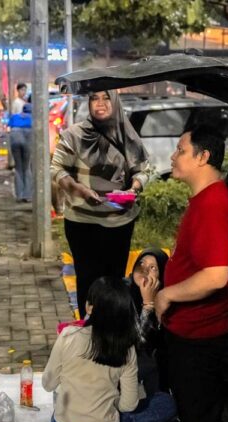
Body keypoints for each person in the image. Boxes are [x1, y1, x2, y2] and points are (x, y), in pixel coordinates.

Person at [154, 124, 228, 422]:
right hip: (190, 333)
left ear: (203, 157)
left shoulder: (213, 205)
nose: (173, 157)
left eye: (181, 150)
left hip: (200, 338)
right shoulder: (205, 200)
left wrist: (167, 295)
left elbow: (215, 275)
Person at [51, 90, 153, 318]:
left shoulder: (128, 136)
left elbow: (144, 170)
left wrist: (133, 188)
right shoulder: (74, 135)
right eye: (94, 98)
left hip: (119, 222)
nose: (100, 103)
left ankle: (111, 330)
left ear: (115, 101)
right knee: (87, 280)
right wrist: (77, 188)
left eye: (106, 97)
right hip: (82, 222)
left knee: (114, 282)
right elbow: (56, 169)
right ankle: (88, 330)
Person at [43, 277, 177, 422]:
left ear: (88, 307)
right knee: (166, 402)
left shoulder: (68, 335)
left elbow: (48, 384)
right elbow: (128, 406)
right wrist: (110, 404)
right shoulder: (126, 347)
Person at [126, 248, 169, 396]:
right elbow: (137, 343)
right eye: (141, 264)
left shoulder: (166, 296)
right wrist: (148, 304)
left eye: (153, 268)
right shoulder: (123, 292)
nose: (144, 271)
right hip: (123, 359)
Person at [8, 102, 33, 202]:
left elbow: (9, 127)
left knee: (18, 167)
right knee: (26, 167)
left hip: (15, 139)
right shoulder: (33, 118)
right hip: (27, 139)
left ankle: (19, 195)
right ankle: (27, 195)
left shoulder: (15, 117)